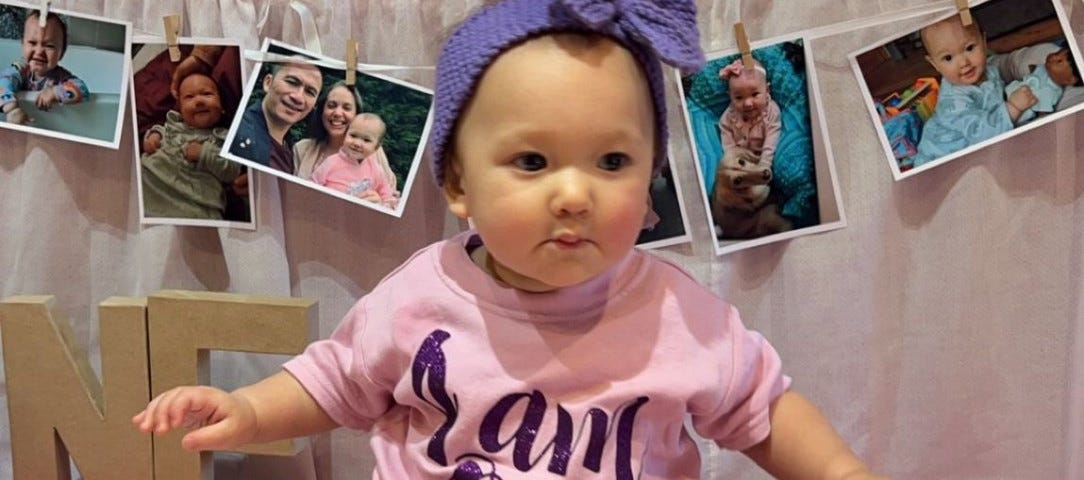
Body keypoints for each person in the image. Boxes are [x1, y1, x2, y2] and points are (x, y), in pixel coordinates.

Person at [133, 1, 887, 478]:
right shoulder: (425, 294)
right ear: (458, 186)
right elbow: (337, 380)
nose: (573, 192)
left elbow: (764, 409)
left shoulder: (681, 318)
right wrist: (251, 412)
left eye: (613, 161)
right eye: (532, 161)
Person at [910, 15, 1038, 167]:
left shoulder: (989, 70)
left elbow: (995, 101)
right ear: (934, 64)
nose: (964, 63)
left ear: (983, 42)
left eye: (970, 48)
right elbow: (981, 134)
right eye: (948, 58)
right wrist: (1013, 108)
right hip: (940, 160)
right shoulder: (953, 102)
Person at [140, 73, 242, 220]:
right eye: (189, 97)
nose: (199, 101)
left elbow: (232, 171)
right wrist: (152, 137)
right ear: (180, 109)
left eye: (207, 94)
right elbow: (160, 130)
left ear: (222, 107)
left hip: (194, 205)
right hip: (152, 185)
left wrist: (204, 153)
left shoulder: (224, 138)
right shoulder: (173, 125)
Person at [293, 80, 398, 197]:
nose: (338, 113)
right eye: (331, 106)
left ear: (356, 115)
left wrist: (379, 202)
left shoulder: (374, 153)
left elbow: (391, 197)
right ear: (322, 111)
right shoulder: (302, 149)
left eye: (347, 108)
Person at [228, 58, 322, 173]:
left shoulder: (294, 151)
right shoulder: (237, 132)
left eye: (310, 92)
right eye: (292, 82)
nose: (298, 97)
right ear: (268, 83)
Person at [0, 10, 89, 126]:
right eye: (32, 43)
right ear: (22, 45)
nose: (39, 52)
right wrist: (11, 109)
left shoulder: (60, 76)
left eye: (49, 46)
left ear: (62, 53)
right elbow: (3, 82)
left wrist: (55, 92)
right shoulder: (20, 70)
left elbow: (83, 90)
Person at [310, 113, 396, 207]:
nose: (357, 143)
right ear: (345, 135)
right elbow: (311, 186)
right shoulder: (330, 162)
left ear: (376, 147)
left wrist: (381, 204)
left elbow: (388, 197)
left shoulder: (376, 169)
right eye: (353, 136)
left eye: (366, 140)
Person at [717, 58, 782, 167]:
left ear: (767, 90)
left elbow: (771, 142)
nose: (747, 103)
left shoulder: (772, 112)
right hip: (740, 163)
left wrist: (764, 164)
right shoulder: (728, 116)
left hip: (763, 160)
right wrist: (735, 163)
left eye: (755, 94)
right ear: (730, 96)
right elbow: (728, 145)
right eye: (738, 97)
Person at [1003, 45, 1082, 123]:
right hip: (1008, 91)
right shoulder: (1044, 68)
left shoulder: (1050, 91)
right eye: (1057, 53)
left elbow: (1043, 113)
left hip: (1015, 111)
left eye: (1059, 61)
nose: (1053, 56)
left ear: (1070, 80)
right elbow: (1033, 71)